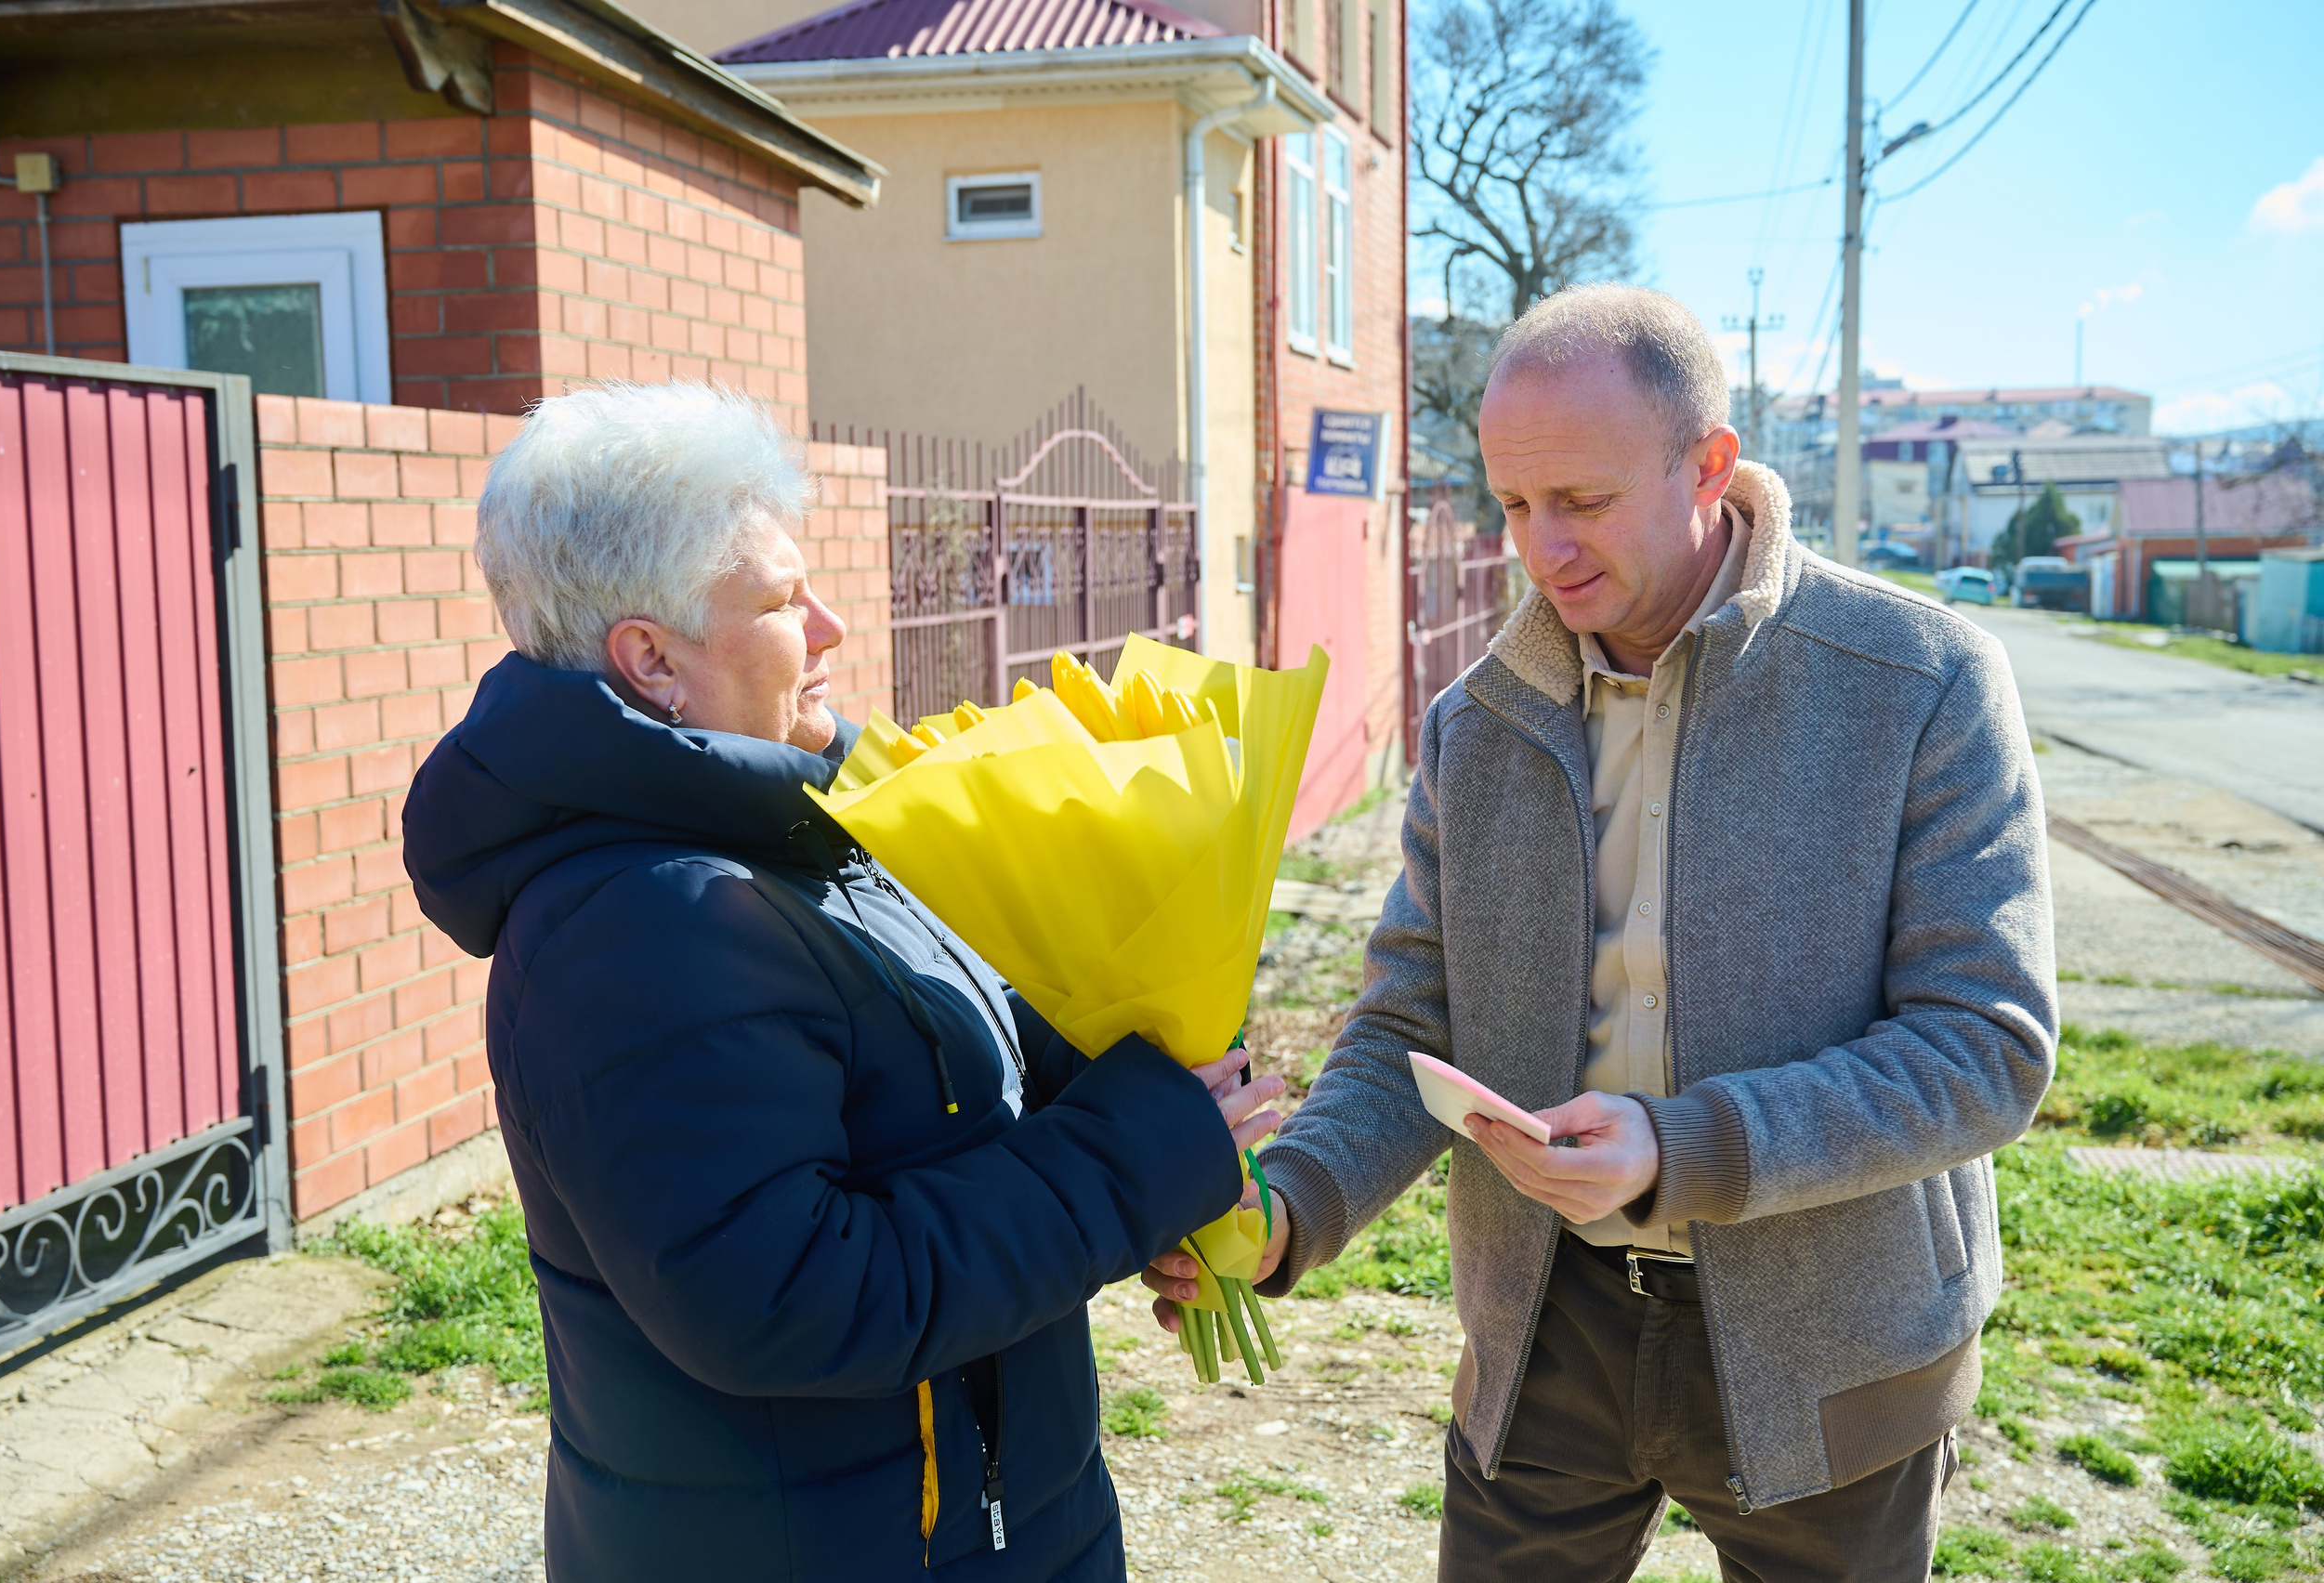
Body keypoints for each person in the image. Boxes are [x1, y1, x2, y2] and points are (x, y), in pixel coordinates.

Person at [1149, 284, 2055, 1579]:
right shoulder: (1478, 723)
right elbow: (1412, 1020)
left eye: (1582, 501)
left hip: (1834, 1340)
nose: (1542, 549)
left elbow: (1986, 1050)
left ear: (1711, 466)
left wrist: (1678, 1148)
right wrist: (1290, 1206)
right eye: (1514, 505)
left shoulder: (1923, 680)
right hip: (1546, 1334)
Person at [402, 382, 1283, 1581]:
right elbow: (791, 1297)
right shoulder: (646, 918)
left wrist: (1166, 1122)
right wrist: (1135, 1158)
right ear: (652, 659)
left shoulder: (813, 829)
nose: (828, 627)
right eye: (778, 603)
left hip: (986, 1517)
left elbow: (952, 1095)